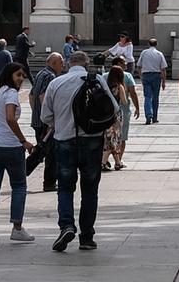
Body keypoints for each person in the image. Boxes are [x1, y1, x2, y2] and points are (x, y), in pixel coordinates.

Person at [41, 52, 104, 252]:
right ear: (87, 63)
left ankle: (66, 225)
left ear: (68, 63)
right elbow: (111, 108)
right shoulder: (98, 80)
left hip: (65, 141)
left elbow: (45, 116)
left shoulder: (57, 83)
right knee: (90, 189)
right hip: (93, 141)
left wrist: (60, 123)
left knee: (65, 187)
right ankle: (86, 236)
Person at [0, 61, 36, 245]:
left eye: (23, 76)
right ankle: (17, 228)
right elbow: (10, 118)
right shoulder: (10, 93)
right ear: (9, 75)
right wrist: (23, 141)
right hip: (9, 146)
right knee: (19, 186)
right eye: (18, 75)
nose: (21, 79)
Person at [28, 52, 65, 191]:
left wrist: (36, 113)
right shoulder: (50, 76)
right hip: (45, 123)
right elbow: (43, 96)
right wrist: (49, 119)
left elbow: (32, 96)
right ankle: (49, 183)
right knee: (51, 153)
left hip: (37, 121)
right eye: (61, 63)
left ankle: (25, 169)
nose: (63, 66)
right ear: (54, 63)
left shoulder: (40, 74)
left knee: (42, 149)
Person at [101, 56, 140, 171]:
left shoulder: (104, 81)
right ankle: (107, 161)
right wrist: (135, 106)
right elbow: (124, 101)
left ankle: (116, 162)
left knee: (108, 138)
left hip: (105, 114)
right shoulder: (120, 86)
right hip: (117, 115)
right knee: (117, 138)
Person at [136, 38, 168, 124]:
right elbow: (163, 69)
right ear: (156, 44)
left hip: (146, 75)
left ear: (148, 44)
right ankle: (154, 117)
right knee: (155, 97)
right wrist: (164, 81)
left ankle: (148, 115)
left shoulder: (144, 53)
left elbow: (138, 66)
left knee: (147, 97)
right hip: (156, 76)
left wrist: (140, 76)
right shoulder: (159, 54)